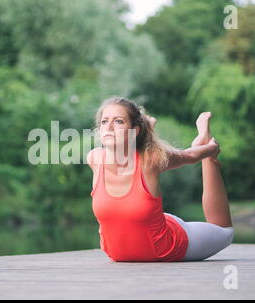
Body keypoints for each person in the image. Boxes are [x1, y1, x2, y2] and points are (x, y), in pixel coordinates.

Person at [87, 97, 234, 262]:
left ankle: (205, 148)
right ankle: (150, 129)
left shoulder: (150, 160)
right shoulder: (95, 159)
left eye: (118, 121)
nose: (109, 127)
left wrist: (210, 149)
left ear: (134, 131)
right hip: (123, 247)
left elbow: (189, 156)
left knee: (226, 233)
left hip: (169, 246)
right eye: (104, 122)